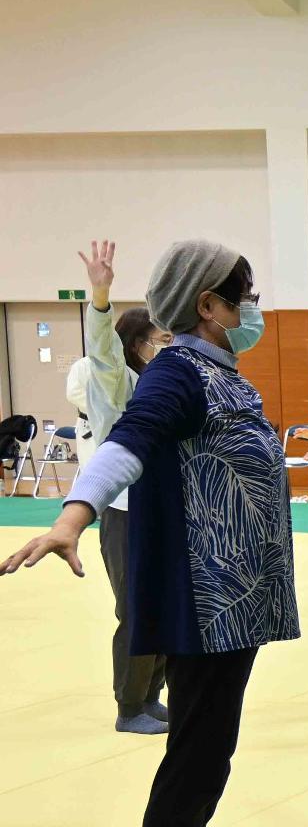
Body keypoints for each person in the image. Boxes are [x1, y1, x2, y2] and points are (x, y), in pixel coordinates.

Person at [4, 240, 297, 827]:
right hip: (202, 598)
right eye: (245, 295)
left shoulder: (219, 373)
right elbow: (125, 443)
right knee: (194, 759)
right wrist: (73, 517)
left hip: (234, 597)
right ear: (209, 305)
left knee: (207, 754)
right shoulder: (177, 371)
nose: (254, 309)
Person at [63, 239, 173, 734]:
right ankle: (129, 706)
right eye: (158, 339)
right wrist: (100, 295)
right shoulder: (115, 383)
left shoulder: (163, 381)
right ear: (136, 345)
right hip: (127, 510)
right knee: (136, 609)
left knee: (169, 606)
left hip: (167, 507)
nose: (166, 345)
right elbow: (102, 351)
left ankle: (151, 696)